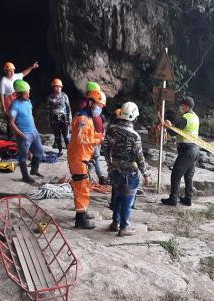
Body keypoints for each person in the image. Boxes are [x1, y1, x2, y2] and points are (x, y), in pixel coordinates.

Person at [103, 102, 151, 236]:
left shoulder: (111, 129)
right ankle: (124, 227)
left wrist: (109, 164)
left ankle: (115, 223)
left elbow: (105, 149)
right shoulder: (135, 136)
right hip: (130, 173)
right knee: (127, 199)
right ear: (134, 118)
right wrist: (146, 174)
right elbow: (140, 158)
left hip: (115, 170)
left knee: (117, 196)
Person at [67, 89, 106, 229]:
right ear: (90, 102)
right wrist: (98, 141)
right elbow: (80, 138)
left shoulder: (87, 117)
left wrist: (99, 137)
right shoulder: (83, 119)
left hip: (81, 156)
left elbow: (88, 134)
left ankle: (82, 211)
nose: (100, 109)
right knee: (81, 187)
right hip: (78, 157)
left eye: (101, 107)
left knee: (83, 186)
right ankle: (80, 219)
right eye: (99, 105)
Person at [161, 96, 200, 206]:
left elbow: (174, 132)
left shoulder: (185, 118)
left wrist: (168, 126)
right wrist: (172, 126)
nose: (180, 107)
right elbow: (181, 128)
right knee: (188, 176)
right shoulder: (195, 117)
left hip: (187, 150)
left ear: (186, 107)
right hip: (195, 149)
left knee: (176, 175)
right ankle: (188, 198)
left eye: (182, 105)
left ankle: (173, 198)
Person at [8, 79, 44, 183]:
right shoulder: (15, 105)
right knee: (23, 156)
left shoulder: (28, 101)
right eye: (26, 93)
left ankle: (34, 170)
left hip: (33, 132)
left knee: (39, 151)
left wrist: (35, 129)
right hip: (24, 134)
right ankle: (25, 176)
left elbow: (30, 115)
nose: (28, 94)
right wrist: (20, 134)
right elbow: (11, 123)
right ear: (19, 94)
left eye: (28, 92)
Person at [0, 61, 39, 139]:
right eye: (10, 71)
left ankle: (20, 135)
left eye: (13, 70)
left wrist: (31, 67)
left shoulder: (16, 76)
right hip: (9, 102)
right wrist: (3, 107)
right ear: (6, 71)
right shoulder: (3, 80)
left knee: (19, 118)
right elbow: (2, 95)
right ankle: (10, 137)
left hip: (17, 100)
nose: (12, 72)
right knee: (10, 119)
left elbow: (23, 73)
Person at [47, 78, 71, 156]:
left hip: (64, 118)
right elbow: (48, 110)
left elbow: (68, 108)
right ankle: (60, 150)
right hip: (54, 119)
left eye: (59, 86)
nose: (57, 88)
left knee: (66, 136)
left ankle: (69, 151)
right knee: (57, 136)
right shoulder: (50, 97)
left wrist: (70, 118)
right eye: (55, 86)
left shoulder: (64, 96)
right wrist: (49, 120)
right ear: (53, 87)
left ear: (61, 87)